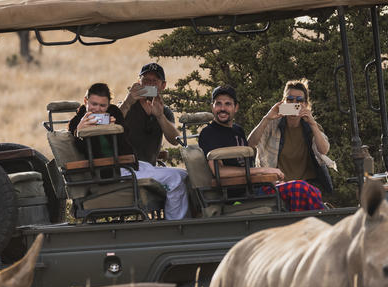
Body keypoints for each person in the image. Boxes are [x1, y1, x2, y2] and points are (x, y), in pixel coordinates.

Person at [198, 85, 326, 212]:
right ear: (212, 107)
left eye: (228, 104)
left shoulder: (237, 130)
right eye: (218, 104)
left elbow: (324, 150)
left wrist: (266, 177)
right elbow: (219, 172)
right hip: (241, 194)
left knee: (310, 190)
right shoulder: (209, 133)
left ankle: (316, 223)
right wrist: (264, 170)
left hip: (256, 186)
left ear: (236, 107)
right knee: (300, 188)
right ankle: (325, 223)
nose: (223, 108)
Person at [116, 63, 190, 220]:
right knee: (178, 177)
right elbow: (112, 126)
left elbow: (175, 140)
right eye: (145, 80)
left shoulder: (163, 109)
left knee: (185, 176)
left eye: (154, 81)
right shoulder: (126, 106)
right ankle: (175, 223)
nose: (149, 84)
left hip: (148, 168)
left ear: (162, 86)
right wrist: (128, 101)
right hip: (128, 168)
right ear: (138, 82)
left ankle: (176, 219)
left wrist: (159, 116)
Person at [247, 79, 335, 194]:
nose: (294, 103)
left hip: (307, 184)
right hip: (278, 183)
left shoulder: (311, 126)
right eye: (289, 99)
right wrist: (266, 118)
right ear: (283, 102)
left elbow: (324, 150)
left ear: (305, 104)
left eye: (299, 100)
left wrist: (313, 124)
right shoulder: (273, 123)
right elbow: (250, 144)